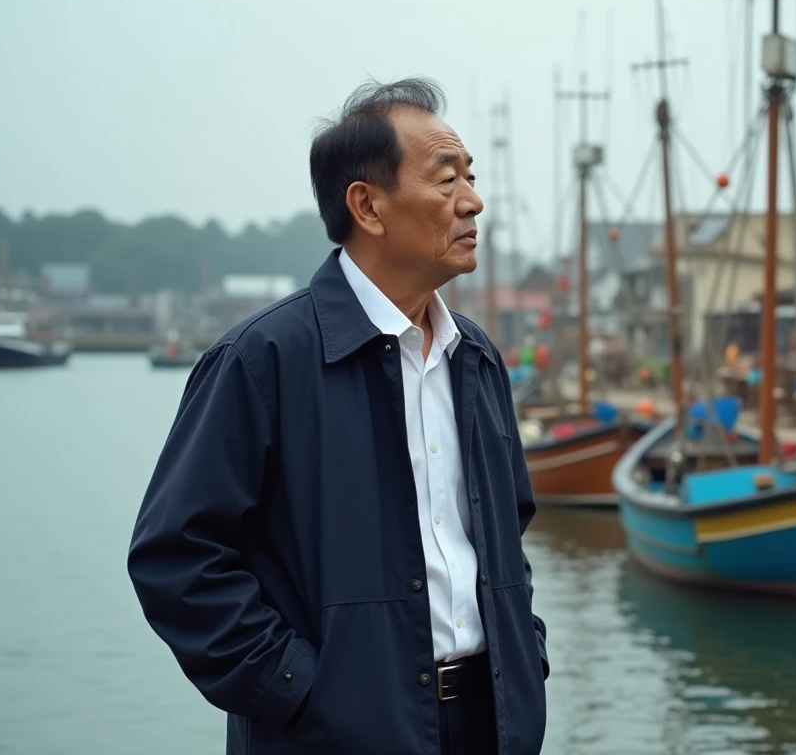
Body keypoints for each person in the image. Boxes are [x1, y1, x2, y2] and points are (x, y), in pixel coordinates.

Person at [127, 78, 548, 755]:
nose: (473, 201)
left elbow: (509, 535)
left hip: (493, 723)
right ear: (368, 206)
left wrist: (526, 661)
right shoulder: (263, 358)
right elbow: (176, 557)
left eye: (471, 177)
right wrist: (297, 689)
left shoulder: (476, 357)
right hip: (331, 732)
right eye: (446, 181)